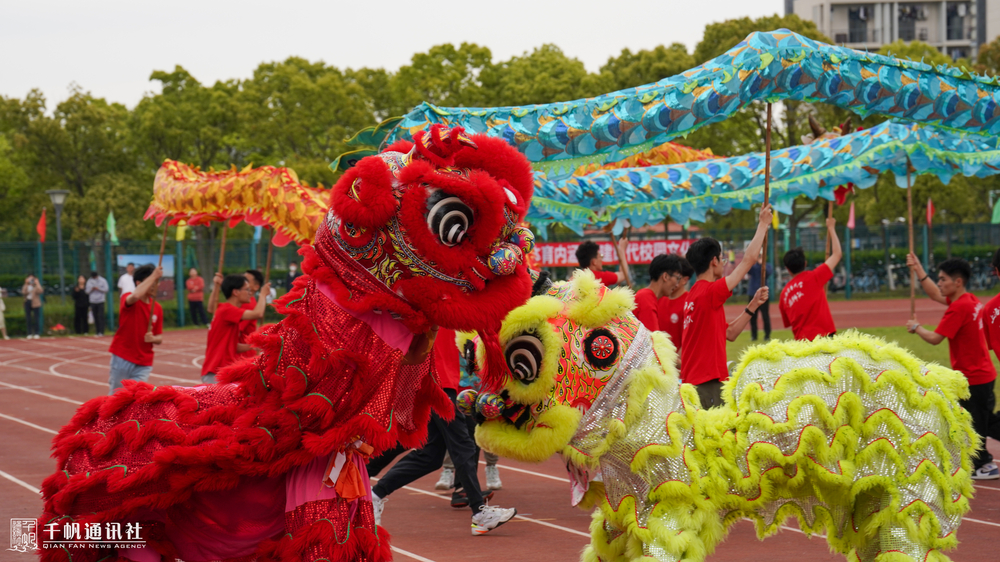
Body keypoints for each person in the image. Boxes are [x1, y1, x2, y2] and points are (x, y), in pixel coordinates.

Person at [369, 329, 516, 535]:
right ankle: (479, 513)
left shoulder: (450, 303)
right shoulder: (442, 302)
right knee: (463, 444)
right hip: (439, 381)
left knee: (431, 455)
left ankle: (374, 494)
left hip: (442, 380)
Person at [907, 255, 1000, 480]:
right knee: (980, 419)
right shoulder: (970, 300)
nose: (939, 283)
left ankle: (983, 464)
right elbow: (933, 293)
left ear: (957, 282)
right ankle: (977, 461)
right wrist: (918, 269)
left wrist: (917, 327)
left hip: (972, 376)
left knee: (976, 422)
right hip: (984, 372)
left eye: (943, 279)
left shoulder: (958, 309)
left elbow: (935, 338)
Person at [681, 205, 772, 408]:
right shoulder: (709, 291)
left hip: (697, 383)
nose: (723, 262)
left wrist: (753, 304)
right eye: (721, 258)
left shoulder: (693, 295)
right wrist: (763, 225)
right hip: (706, 384)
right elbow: (747, 262)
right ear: (714, 261)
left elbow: (730, 333)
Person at [778, 218, 842, 341]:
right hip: (825, 338)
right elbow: (837, 254)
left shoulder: (784, 295)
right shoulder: (815, 276)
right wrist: (831, 228)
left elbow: (788, 323)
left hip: (803, 345)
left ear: (788, 269)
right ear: (805, 263)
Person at [201, 274, 269, 384]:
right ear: (235, 292)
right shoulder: (227, 310)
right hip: (216, 371)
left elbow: (233, 345)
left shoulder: (225, 309)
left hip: (222, 370)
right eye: (246, 289)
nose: (250, 293)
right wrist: (263, 295)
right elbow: (258, 313)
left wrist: (254, 345)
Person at [107, 265, 164, 394]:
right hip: (123, 356)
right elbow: (136, 294)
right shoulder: (128, 298)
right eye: (152, 282)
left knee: (137, 397)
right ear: (139, 283)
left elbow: (159, 337)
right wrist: (154, 275)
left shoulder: (157, 308)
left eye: (157, 282)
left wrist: (153, 338)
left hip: (144, 361)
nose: (155, 285)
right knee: (117, 397)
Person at [633, 254, 681, 332]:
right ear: (665, 276)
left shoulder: (646, 296)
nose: (677, 285)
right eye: (677, 278)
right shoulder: (646, 299)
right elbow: (652, 341)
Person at [658, 257, 694, 350]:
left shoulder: (690, 303)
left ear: (685, 280)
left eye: (677, 277)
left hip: (677, 362)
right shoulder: (659, 299)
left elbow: (690, 340)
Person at [747, 253, 773, 341]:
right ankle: (754, 335)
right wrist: (755, 262)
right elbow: (749, 270)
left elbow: (769, 272)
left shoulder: (767, 265)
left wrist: (762, 264)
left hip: (763, 294)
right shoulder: (754, 267)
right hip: (753, 293)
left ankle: (767, 335)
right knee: (752, 316)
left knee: (765, 316)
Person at [85, 271, 109, 337]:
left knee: (101, 316)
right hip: (92, 301)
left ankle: (102, 331)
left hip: (101, 300)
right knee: (95, 316)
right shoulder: (89, 281)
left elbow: (106, 289)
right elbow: (86, 291)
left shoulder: (103, 280)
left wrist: (99, 288)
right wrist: (92, 289)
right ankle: (97, 331)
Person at [21, 273, 42, 339]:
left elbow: (40, 291)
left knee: (36, 318)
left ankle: (37, 333)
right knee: (28, 318)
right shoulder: (26, 286)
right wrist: (26, 284)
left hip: (35, 303)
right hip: (28, 302)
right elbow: (23, 292)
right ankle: (29, 333)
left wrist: (37, 283)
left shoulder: (36, 286)